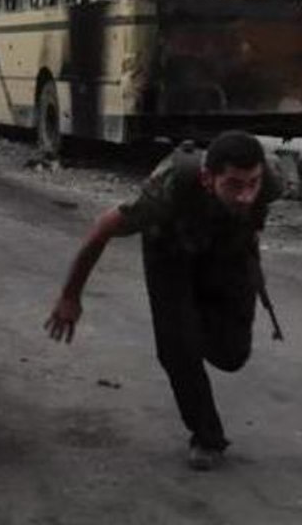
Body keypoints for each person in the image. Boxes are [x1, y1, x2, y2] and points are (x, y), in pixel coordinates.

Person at [45, 131, 284, 471]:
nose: (245, 195)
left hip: (223, 250)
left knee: (231, 355)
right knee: (177, 346)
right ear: (207, 178)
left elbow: (255, 216)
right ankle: (207, 437)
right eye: (233, 185)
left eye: (252, 184)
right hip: (169, 251)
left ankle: (194, 319)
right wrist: (70, 296)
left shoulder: (271, 179)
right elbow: (102, 229)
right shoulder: (168, 189)